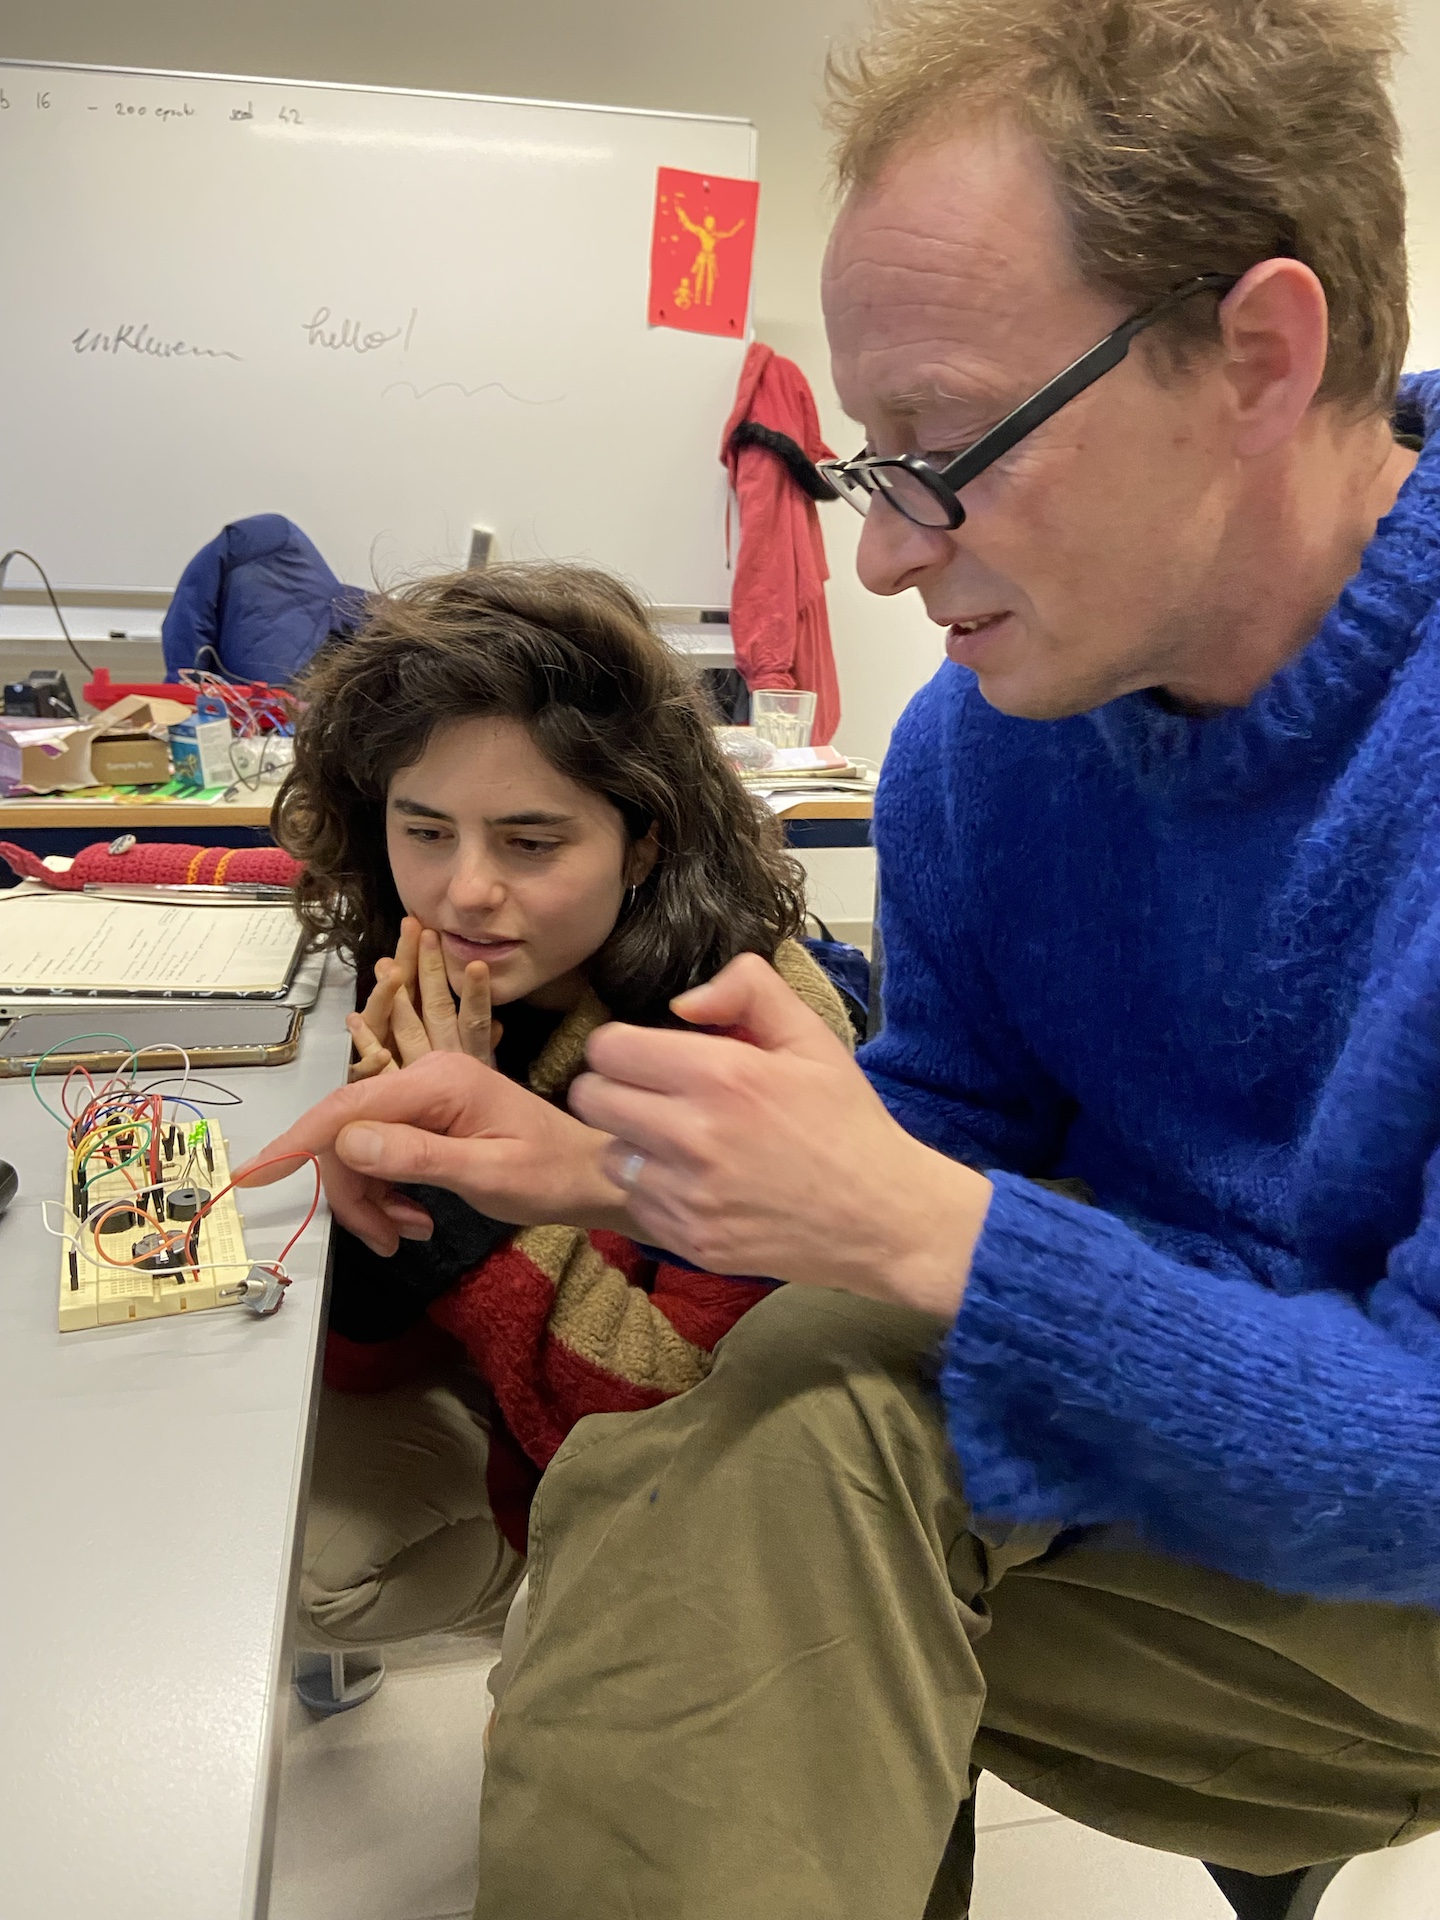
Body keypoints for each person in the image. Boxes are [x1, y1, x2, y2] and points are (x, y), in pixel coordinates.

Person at [245, 1, 1440, 1913]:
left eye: (945, 450)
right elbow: (937, 1141)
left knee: (772, 1477)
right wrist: (605, 1171)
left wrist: (926, 1232)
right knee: (742, 1462)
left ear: (1262, 357)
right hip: (1116, 1434)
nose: (880, 562)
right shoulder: (982, 750)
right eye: (868, 467)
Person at [270, 563, 853, 1689]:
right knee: (269, 1536)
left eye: (531, 844)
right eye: (424, 830)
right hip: (506, 1379)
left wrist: (453, 1189)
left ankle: (549, 1611)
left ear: (642, 844)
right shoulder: (415, 962)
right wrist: (385, 1194)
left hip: (690, 1474)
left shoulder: (745, 1036)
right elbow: (363, 1366)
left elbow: (673, 1419)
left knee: (356, 1579)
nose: (463, 892)